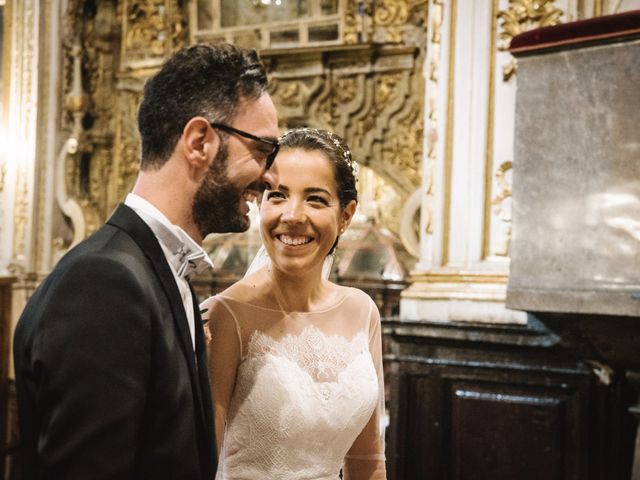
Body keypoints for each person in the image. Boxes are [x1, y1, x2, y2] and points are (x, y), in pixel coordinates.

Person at [13, 43, 279, 480]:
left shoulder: (155, 269)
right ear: (200, 142)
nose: (269, 175)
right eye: (262, 149)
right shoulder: (104, 283)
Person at [201, 127, 387, 480]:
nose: (292, 215)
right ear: (259, 203)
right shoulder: (225, 315)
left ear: (346, 215)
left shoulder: (362, 312)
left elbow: (367, 462)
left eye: (315, 199)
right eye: (277, 196)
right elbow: (198, 462)